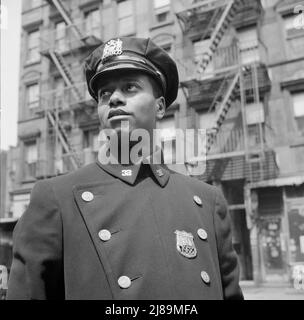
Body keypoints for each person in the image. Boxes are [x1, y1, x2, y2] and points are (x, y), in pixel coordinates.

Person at [7, 37, 243, 300]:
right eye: (104, 93)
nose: (114, 98)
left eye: (130, 87)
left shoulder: (207, 202)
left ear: (160, 106)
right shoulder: (56, 199)